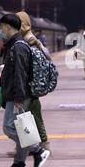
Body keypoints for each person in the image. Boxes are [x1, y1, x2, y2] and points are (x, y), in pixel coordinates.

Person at [0, 14, 49, 167]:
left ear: (7, 26)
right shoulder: (15, 45)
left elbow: (20, 74)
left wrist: (19, 98)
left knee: (9, 127)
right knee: (22, 128)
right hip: (16, 94)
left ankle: (37, 150)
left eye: (2, 27)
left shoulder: (18, 46)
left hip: (18, 95)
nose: (1, 31)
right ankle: (19, 164)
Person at [17, 11, 52, 152]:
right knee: (31, 115)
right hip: (29, 83)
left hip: (29, 83)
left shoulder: (29, 39)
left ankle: (39, 145)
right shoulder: (26, 38)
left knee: (30, 115)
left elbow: (47, 57)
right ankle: (35, 144)